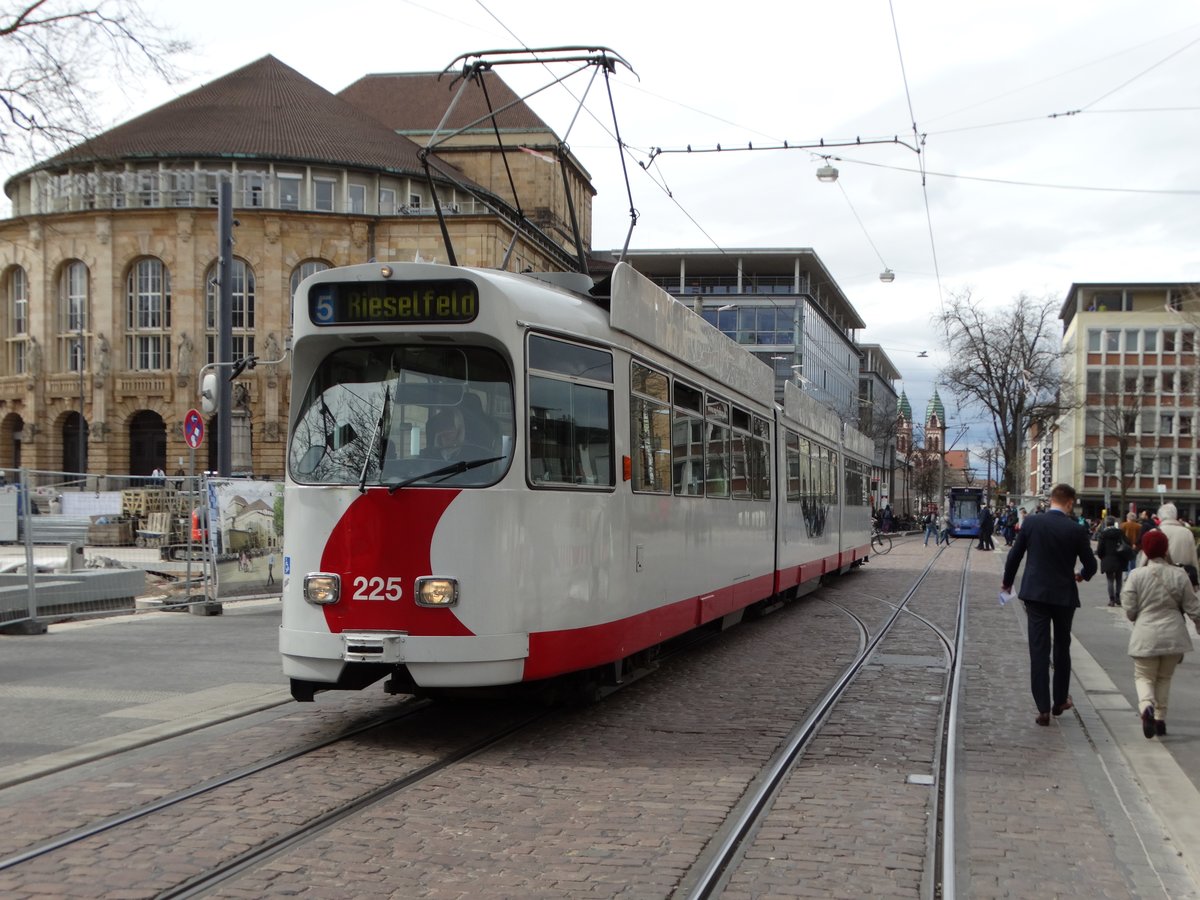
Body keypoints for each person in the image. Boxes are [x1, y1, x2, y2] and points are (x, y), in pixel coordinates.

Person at [1001, 483, 1098, 727]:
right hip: (1064, 597)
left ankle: (1043, 708)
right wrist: (1081, 575)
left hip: (1035, 595)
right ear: (1068, 502)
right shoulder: (1075, 530)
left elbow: (1015, 556)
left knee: (1038, 650)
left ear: (1052, 499)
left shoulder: (1032, 523)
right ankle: (1059, 700)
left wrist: (1007, 584)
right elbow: (1092, 565)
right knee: (1062, 648)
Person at [1120, 529, 1200, 738]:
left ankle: (1146, 705)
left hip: (1146, 633)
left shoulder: (1137, 575)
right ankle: (1160, 719)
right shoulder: (1180, 574)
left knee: (1143, 676)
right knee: (1164, 678)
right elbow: (1193, 607)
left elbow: (1128, 605)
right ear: (1166, 549)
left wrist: (1133, 614)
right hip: (1174, 635)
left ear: (1145, 549)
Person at [1152, 502, 1199, 587]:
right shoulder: (1187, 533)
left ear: (1159, 516)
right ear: (1176, 515)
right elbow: (1193, 560)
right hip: (1182, 580)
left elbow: (1145, 559)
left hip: (1158, 580)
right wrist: (1196, 580)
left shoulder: (1153, 533)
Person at [1095, 515, 1134, 606]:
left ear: (1106, 524)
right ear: (1114, 523)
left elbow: (1100, 548)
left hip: (1108, 558)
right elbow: (1127, 543)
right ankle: (1117, 597)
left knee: (1110, 580)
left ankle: (1111, 599)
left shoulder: (1103, 534)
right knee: (1119, 579)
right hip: (1119, 558)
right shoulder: (1120, 532)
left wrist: (1101, 556)